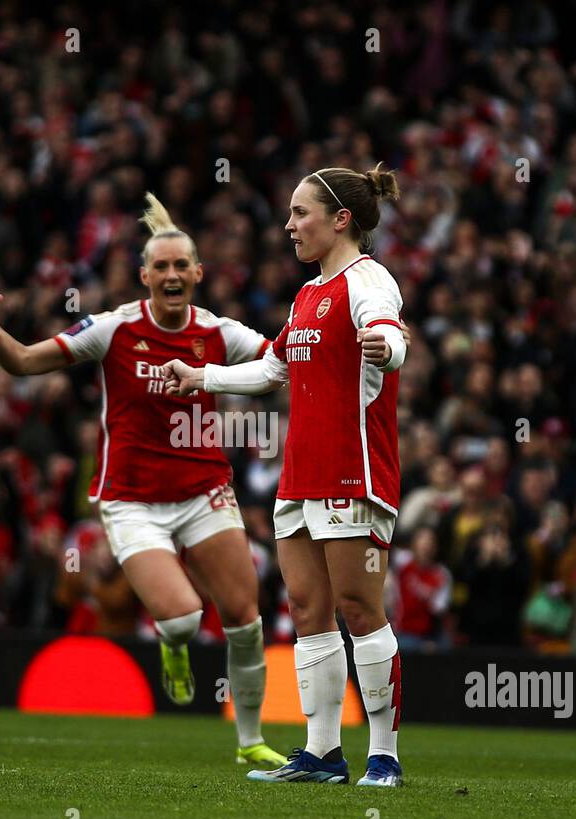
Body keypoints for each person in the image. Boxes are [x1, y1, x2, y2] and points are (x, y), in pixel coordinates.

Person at [0, 193, 287, 769]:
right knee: (186, 619)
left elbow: (279, 366)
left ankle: (250, 742)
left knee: (245, 618)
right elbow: (20, 363)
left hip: (203, 491)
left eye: (179, 266)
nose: (170, 274)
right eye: (159, 267)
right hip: (131, 500)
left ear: (197, 274)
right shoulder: (112, 330)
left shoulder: (218, 333)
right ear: (144, 276)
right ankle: (174, 647)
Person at [163, 164, 408, 787]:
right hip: (298, 477)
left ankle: (385, 755)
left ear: (340, 219)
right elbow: (272, 369)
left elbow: (389, 330)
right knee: (306, 608)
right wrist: (204, 378)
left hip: (353, 471)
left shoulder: (368, 280)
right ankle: (322, 753)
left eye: (301, 213)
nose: (290, 224)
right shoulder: (305, 296)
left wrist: (387, 346)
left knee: (359, 607)